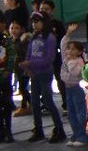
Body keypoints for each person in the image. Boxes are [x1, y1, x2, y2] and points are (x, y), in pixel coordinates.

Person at [22, 12, 65, 143]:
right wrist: (28, 68)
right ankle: (38, 129)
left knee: (47, 100)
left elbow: (49, 59)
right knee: (34, 102)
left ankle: (59, 129)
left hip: (45, 72)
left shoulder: (50, 37)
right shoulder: (34, 36)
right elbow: (29, 53)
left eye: (37, 22)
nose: (34, 24)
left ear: (44, 22)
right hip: (34, 73)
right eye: (33, 22)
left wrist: (30, 64)